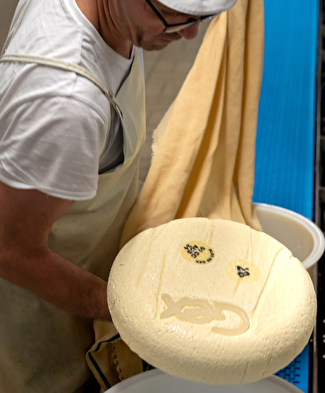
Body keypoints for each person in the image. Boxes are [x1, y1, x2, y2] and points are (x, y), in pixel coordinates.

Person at [0, 0, 236, 391]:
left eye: (201, 16)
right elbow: (10, 251)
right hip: (38, 324)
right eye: (173, 14)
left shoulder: (116, 18)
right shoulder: (66, 105)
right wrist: (125, 309)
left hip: (81, 258)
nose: (191, 33)